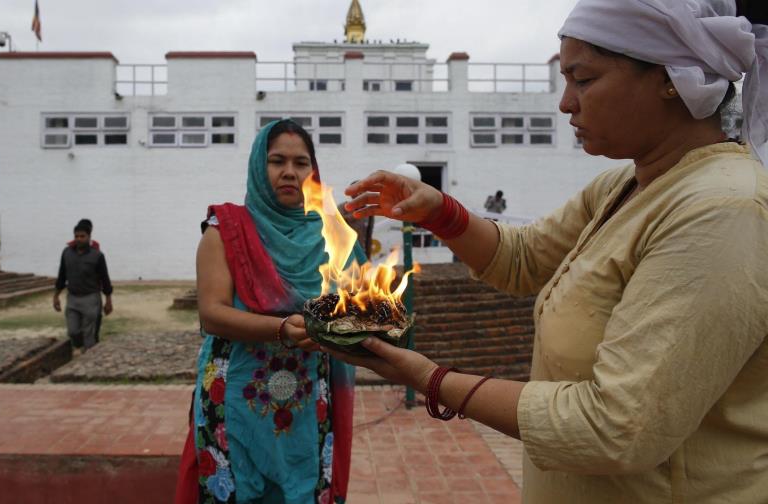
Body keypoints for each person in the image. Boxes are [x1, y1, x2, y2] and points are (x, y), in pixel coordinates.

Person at [338, 1, 768, 502]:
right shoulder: (626, 185)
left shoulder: (724, 210)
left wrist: (429, 379)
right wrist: (438, 211)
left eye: (583, 80)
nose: (566, 104)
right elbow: (524, 258)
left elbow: (615, 427)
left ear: (671, 79)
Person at [174, 119, 366, 504]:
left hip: (311, 395)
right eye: (277, 161)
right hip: (236, 395)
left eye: (301, 163)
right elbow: (211, 314)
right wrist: (282, 329)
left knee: (304, 488)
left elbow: (357, 307)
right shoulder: (225, 230)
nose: (290, 172)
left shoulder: (333, 233)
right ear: (259, 167)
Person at [53, 222, 113, 353]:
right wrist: (56, 296)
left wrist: (108, 300)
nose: (79, 239)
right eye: (76, 236)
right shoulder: (67, 253)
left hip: (91, 299)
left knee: (89, 335)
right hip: (73, 299)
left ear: (89, 237)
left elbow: (105, 279)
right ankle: (82, 348)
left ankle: (88, 361)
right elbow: (61, 276)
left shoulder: (97, 256)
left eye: (82, 236)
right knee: (73, 332)